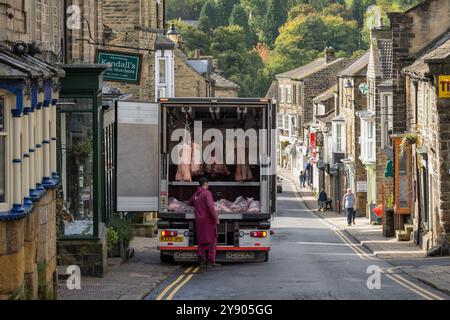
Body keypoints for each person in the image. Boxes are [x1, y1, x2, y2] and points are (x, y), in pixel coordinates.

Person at [188, 177, 221, 268]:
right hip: (208, 220)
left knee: (201, 241)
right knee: (212, 241)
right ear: (206, 184)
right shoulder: (207, 193)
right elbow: (210, 207)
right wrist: (216, 218)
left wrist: (198, 203)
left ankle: (202, 261)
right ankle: (211, 261)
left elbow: (189, 203)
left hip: (199, 220)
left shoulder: (196, 194)